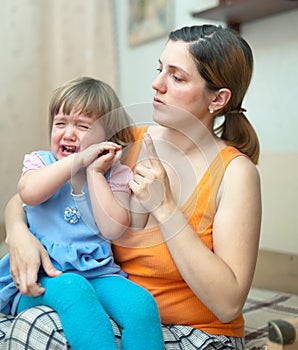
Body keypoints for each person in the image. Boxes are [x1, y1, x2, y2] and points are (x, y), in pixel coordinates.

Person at [1, 24, 262, 350]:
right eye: (160, 69)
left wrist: (165, 208)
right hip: (108, 309)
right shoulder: (128, 140)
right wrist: (18, 233)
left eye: (177, 77)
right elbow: (34, 193)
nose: (156, 84)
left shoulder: (236, 172)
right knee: (34, 319)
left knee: (39, 328)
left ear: (218, 99)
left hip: (194, 331)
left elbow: (228, 305)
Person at [0, 77, 164, 350]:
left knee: (141, 305)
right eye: (60, 123)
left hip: (98, 273)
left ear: (107, 137)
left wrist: (95, 172)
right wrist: (76, 161)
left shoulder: (117, 174)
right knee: (74, 289)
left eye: (83, 126)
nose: (68, 133)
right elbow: (28, 193)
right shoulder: (40, 162)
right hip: (41, 278)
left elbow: (113, 229)